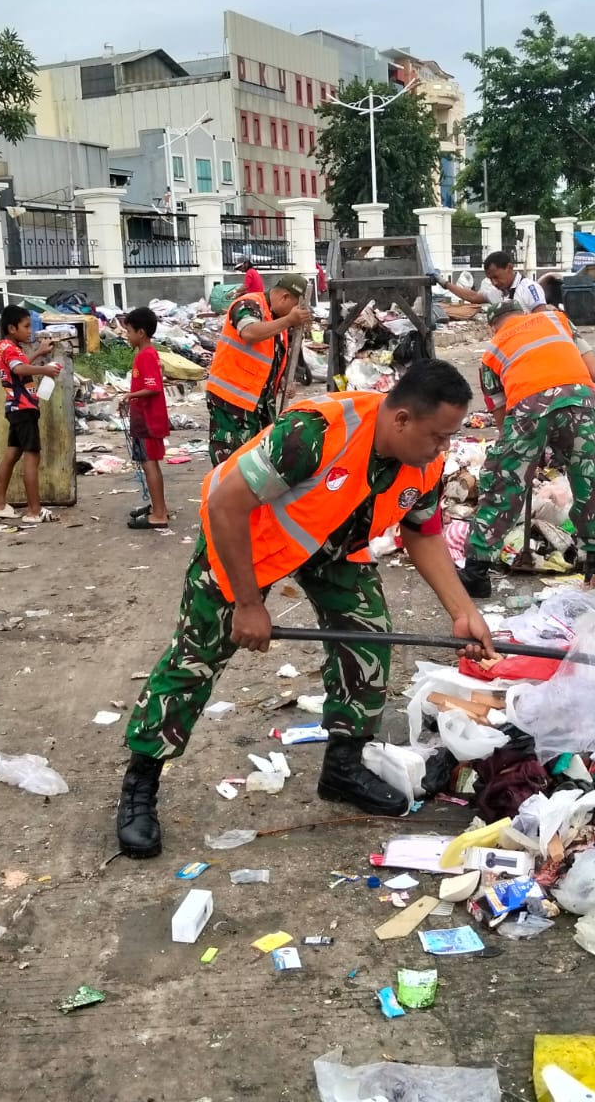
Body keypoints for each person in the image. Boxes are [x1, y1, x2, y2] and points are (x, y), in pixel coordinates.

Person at [115, 360, 496, 858]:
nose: (444, 448)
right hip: (246, 542)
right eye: (438, 436)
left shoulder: (423, 463)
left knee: (367, 638)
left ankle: (343, 766)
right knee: (197, 656)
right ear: (402, 419)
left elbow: (422, 533)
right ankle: (141, 780)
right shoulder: (313, 434)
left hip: (334, 546)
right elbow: (226, 505)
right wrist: (248, 604)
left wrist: (462, 611)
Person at [457, 304, 595, 597]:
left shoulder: (491, 353)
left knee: (504, 485)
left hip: (529, 408)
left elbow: (502, 418)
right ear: (523, 315)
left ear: (493, 327)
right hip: (580, 400)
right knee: (586, 480)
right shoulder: (557, 320)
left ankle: (476, 573)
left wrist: (523, 457)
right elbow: (593, 371)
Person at [205, 273, 311, 464]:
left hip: (257, 404)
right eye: (296, 306)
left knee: (254, 461)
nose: (295, 312)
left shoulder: (276, 318)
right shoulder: (249, 304)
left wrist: (281, 380)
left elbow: (266, 357)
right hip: (232, 400)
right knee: (230, 462)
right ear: (285, 297)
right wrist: (289, 320)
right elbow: (249, 332)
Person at [0, 305, 62, 521]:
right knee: (32, 456)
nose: (30, 331)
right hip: (24, 408)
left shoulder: (6, 347)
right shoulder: (9, 347)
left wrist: (39, 352)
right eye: (26, 326)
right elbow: (19, 369)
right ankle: (34, 511)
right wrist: (45, 369)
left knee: (12, 454)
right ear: (12, 328)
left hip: (15, 408)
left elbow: (19, 366)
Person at [120, 307, 171, 530]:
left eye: (129, 331)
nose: (127, 335)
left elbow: (154, 387)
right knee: (149, 464)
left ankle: (159, 515)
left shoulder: (146, 356)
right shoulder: (147, 354)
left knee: (149, 464)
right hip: (144, 418)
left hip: (148, 420)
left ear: (141, 333)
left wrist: (129, 396)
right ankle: (159, 508)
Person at [437, 250, 548, 313]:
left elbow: (542, 319)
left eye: (496, 277)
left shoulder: (529, 288)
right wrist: (445, 283)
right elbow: (473, 297)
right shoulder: (497, 292)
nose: (494, 283)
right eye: (490, 279)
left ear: (509, 268)